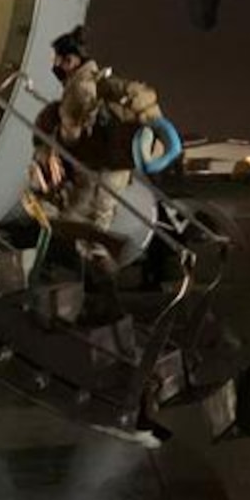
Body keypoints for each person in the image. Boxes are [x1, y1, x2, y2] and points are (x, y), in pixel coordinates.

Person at [32, 28, 161, 321]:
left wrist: (50, 138)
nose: (54, 66)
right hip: (109, 173)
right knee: (88, 236)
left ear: (70, 60)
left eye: (57, 60)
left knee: (72, 229)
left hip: (95, 173)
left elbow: (73, 138)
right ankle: (98, 301)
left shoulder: (79, 88)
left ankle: (98, 305)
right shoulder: (97, 80)